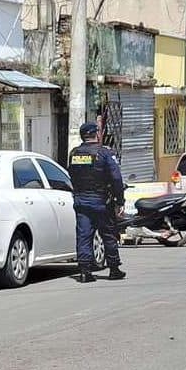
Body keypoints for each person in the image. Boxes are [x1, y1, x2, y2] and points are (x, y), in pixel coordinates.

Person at [68, 121, 125, 283]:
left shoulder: (74, 154)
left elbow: (71, 174)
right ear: (97, 134)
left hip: (82, 202)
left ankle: (85, 272)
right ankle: (114, 269)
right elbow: (116, 178)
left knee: (84, 236)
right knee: (108, 234)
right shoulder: (105, 153)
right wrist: (119, 201)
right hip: (102, 202)